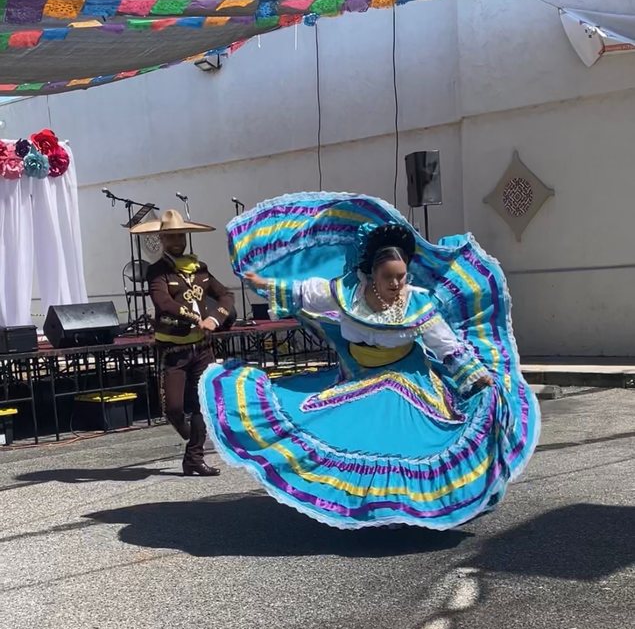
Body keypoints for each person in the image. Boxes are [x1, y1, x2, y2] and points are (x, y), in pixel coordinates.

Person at [198, 192, 540, 527]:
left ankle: (408, 506)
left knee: (399, 416)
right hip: (359, 376)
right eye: (389, 277)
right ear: (372, 275)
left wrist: (476, 377)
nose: (396, 283)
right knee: (349, 426)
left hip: (410, 377)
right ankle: (376, 507)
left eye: (402, 276)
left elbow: (447, 346)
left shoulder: (418, 304)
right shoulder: (345, 294)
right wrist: (264, 283)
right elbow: (303, 291)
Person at [142, 209, 236, 476]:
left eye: (180, 235)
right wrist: (194, 317)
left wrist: (214, 320)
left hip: (202, 348)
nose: (177, 241)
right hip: (173, 349)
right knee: (172, 408)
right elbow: (163, 302)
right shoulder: (157, 271)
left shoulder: (201, 269)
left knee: (200, 404)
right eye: (171, 236)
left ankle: (194, 457)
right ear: (161, 239)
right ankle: (185, 432)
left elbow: (226, 295)